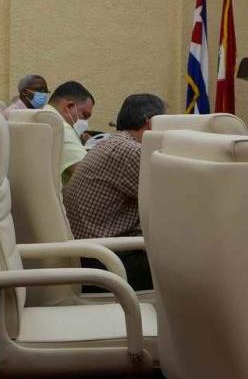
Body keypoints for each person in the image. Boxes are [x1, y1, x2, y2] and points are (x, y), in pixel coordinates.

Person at [63, 93, 166, 290]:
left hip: (92, 256)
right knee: (194, 265)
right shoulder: (130, 151)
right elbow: (171, 200)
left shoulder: (114, 143)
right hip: (106, 263)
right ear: (151, 123)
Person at [45, 81, 95, 184]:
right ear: (69, 106)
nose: (85, 122)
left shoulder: (39, 116)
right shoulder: (61, 128)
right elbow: (89, 175)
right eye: (85, 115)